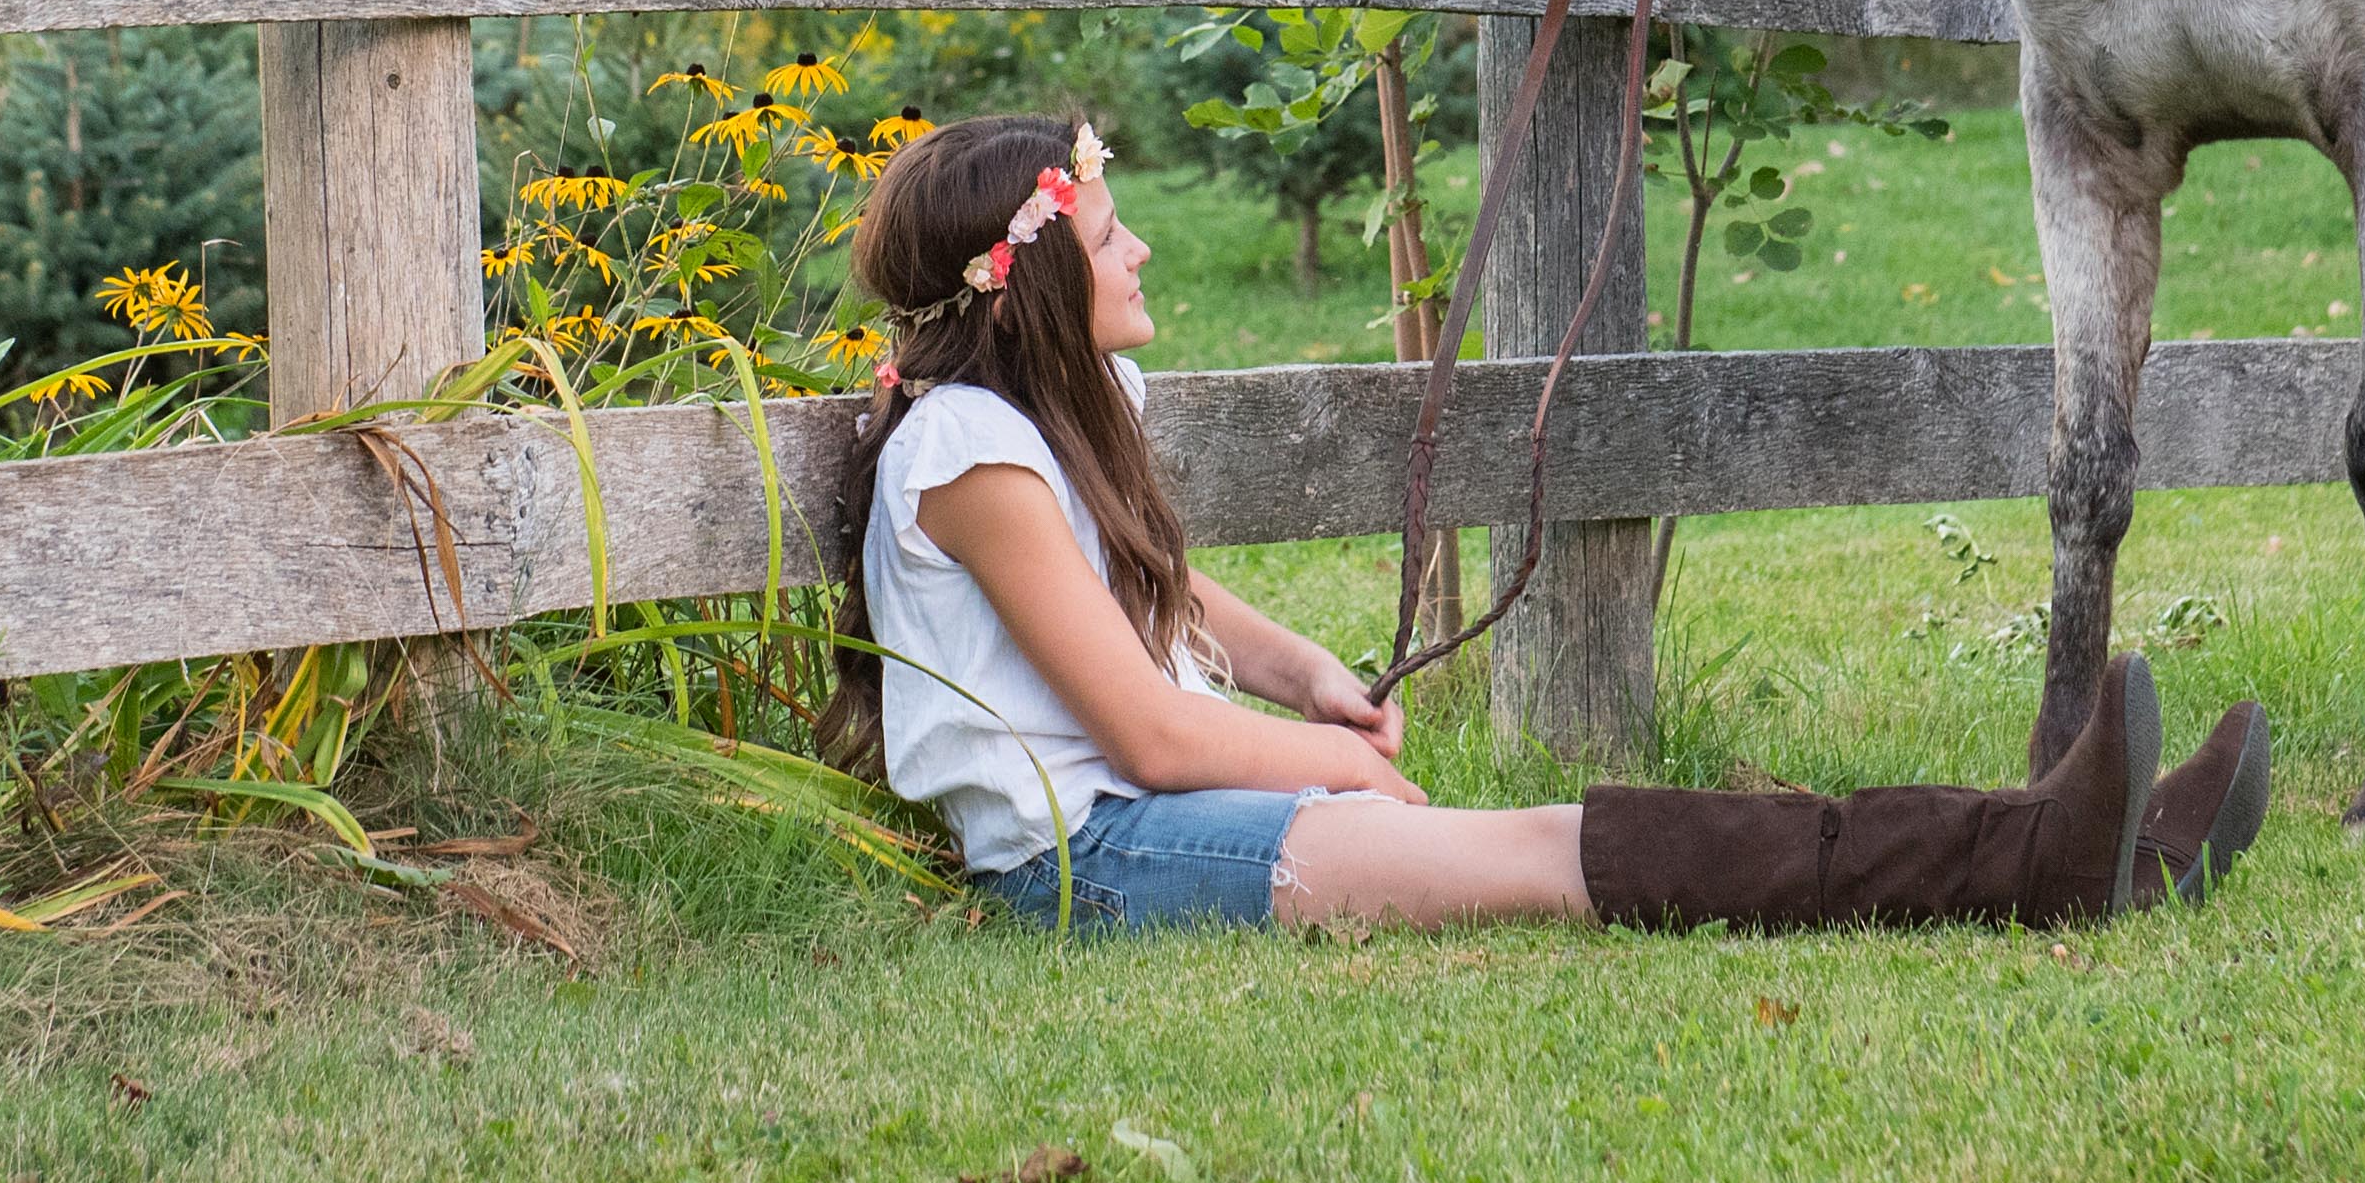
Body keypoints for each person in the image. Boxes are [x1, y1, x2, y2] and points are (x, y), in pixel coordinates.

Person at [813, 111, 2274, 934]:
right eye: (1105, 230)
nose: (1138, 245)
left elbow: (1143, 587)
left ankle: (2072, 844)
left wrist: (1300, 670)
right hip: (1098, 864)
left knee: (1538, 841)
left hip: (1162, 823)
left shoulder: (1054, 412)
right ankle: (2041, 857)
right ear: (1030, 275)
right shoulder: (966, 453)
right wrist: (1329, 760)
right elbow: (1146, 738)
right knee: (1543, 851)